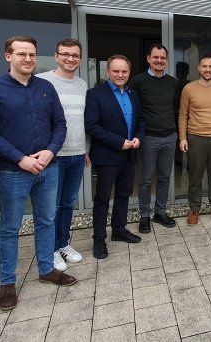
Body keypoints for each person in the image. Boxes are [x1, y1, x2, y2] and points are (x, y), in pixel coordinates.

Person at [0, 35, 76, 313]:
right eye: (22, 54)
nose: (28, 59)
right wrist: (19, 158)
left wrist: (50, 152)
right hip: (12, 171)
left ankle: (46, 269)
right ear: (8, 56)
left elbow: (60, 124)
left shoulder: (45, 88)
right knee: (10, 227)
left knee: (46, 220)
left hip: (47, 167)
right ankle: (7, 282)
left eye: (32, 55)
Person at [85, 55, 145, 259]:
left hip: (129, 155)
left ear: (129, 72)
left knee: (123, 195)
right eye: (116, 71)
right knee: (102, 199)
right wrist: (118, 142)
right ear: (108, 72)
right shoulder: (95, 94)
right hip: (107, 155)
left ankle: (119, 230)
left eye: (124, 71)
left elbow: (141, 120)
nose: (120, 75)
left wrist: (138, 137)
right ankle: (99, 239)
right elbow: (92, 125)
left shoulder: (133, 94)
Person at [35, 38, 88, 271]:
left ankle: (63, 243)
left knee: (68, 203)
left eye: (75, 55)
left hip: (77, 153)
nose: (70, 58)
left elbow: (82, 121)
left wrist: (86, 149)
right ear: (56, 56)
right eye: (65, 54)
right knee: (51, 207)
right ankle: (50, 251)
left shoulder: (82, 84)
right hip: (53, 156)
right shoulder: (42, 82)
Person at [129, 44, 178, 233]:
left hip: (169, 136)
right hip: (148, 138)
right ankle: (144, 215)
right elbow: (133, 110)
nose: (159, 61)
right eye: (155, 57)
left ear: (166, 60)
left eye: (163, 58)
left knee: (165, 178)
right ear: (148, 58)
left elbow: (174, 108)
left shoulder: (173, 83)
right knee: (146, 179)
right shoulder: (138, 81)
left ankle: (160, 212)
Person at [178, 54, 211, 225]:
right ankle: (194, 210)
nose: (208, 69)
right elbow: (183, 115)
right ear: (199, 68)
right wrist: (183, 138)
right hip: (195, 138)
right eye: (204, 66)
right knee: (195, 176)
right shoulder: (189, 89)